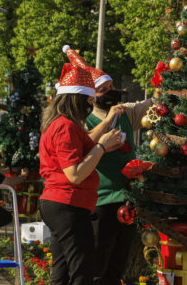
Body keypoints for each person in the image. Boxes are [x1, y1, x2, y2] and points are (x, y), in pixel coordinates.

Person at [62, 45, 152, 285]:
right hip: (99, 200)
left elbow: (150, 107)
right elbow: (84, 144)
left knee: (118, 263)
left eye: (111, 87)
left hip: (126, 199)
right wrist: (108, 123)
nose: (110, 93)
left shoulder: (126, 113)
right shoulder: (83, 120)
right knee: (96, 261)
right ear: (92, 95)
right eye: (103, 90)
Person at [39, 63, 122, 285]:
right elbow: (75, 174)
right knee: (82, 270)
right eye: (88, 101)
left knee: (63, 273)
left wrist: (103, 131)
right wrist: (102, 148)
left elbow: (85, 145)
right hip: (67, 204)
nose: (90, 105)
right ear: (77, 100)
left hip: (60, 204)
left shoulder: (62, 124)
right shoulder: (65, 127)